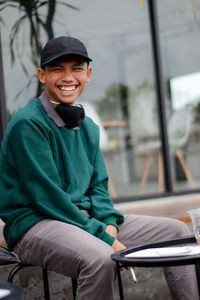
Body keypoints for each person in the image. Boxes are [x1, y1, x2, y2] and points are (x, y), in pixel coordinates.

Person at [0, 36, 199, 300]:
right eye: (57, 69)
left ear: (88, 74)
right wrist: (106, 239)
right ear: (42, 75)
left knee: (175, 232)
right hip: (36, 223)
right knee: (101, 258)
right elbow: (48, 199)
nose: (68, 77)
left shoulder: (88, 127)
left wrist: (109, 225)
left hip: (85, 219)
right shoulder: (28, 124)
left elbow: (98, 187)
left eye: (76, 68)